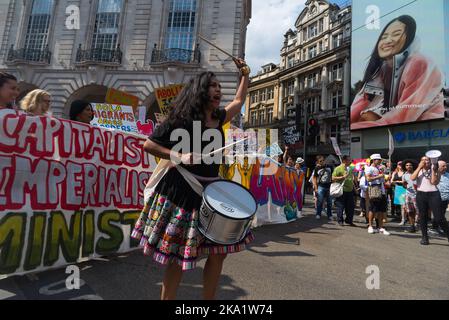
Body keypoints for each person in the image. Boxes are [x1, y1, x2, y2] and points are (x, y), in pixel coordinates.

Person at [131, 58, 251, 300]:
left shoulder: (218, 117)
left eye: (219, 86)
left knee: (218, 254)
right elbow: (148, 144)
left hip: (211, 193)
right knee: (177, 257)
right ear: (200, 90)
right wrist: (179, 155)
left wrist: (245, 74)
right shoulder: (181, 119)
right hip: (182, 192)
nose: (218, 90)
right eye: (213, 86)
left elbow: (238, 101)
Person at [351, 15, 444, 130]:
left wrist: (360, 124)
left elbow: (403, 116)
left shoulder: (419, 63)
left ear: (409, 38)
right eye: (384, 37)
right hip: (385, 133)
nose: (387, 40)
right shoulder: (378, 74)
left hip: (426, 131)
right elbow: (356, 109)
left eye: (396, 34)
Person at [411, 156, 449, 245]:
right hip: (421, 194)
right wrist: (419, 167)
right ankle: (425, 237)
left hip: (434, 194)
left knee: (439, 218)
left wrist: (433, 169)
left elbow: (434, 182)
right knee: (423, 217)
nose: (425, 161)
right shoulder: (419, 170)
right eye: (423, 160)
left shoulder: (436, 170)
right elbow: (412, 178)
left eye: (427, 160)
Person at [365, 154, 390, 235]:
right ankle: (370, 226)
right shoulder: (369, 168)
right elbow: (368, 178)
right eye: (378, 159)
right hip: (374, 190)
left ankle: (380, 227)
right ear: (373, 160)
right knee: (372, 209)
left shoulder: (379, 168)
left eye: (380, 160)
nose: (380, 161)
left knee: (381, 210)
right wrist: (379, 176)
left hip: (382, 190)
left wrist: (385, 177)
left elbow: (383, 178)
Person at [332, 155, 356, 226]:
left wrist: (355, 188)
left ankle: (349, 220)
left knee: (351, 206)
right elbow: (333, 178)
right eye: (349, 160)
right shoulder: (338, 168)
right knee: (341, 206)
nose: (350, 161)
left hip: (350, 190)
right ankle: (340, 220)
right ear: (344, 161)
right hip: (342, 190)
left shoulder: (350, 168)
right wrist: (342, 177)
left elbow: (351, 179)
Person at [312, 155, 333, 221]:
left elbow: (333, 175)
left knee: (329, 202)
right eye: (320, 161)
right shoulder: (317, 168)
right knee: (320, 201)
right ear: (318, 162)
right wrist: (315, 188)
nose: (322, 162)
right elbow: (314, 178)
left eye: (323, 160)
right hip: (321, 186)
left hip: (329, 186)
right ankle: (318, 214)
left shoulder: (329, 166)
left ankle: (329, 215)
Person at [432, 160, 449, 236]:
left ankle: (436, 228)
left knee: (441, 214)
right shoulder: (434, 175)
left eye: (446, 166)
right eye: (443, 166)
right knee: (439, 216)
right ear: (438, 167)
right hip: (437, 198)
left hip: (446, 199)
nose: (445, 167)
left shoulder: (448, 175)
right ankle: (436, 228)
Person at [401, 160, 418, 233]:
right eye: (407, 165)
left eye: (410, 165)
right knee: (410, 211)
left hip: (417, 194)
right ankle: (412, 226)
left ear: (413, 166)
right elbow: (404, 186)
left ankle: (418, 224)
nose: (408, 166)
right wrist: (404, 185)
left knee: (418, 211)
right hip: (408, 194)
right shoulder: (404, 175)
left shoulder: (417, 173)